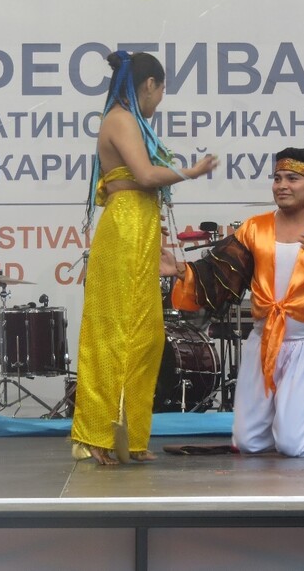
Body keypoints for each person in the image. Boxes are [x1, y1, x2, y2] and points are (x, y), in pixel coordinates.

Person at [172, 147, 304, 457]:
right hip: (264, 341)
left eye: (292, 179)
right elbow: (219, 273)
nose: (282, 185)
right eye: (277, 178)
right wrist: (179, 270)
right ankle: (288, 427)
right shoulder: (255, 228)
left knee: (295, 445)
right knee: (249, 443)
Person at [71, 51, 218, 465]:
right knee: (113, 333)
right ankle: (96, 435)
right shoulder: (120, 119)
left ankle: (131, 437)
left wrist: (155, 247)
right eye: (162, 89)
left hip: (139, 228)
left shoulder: (133, 121)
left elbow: (146, 189)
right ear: (149, 84)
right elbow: (147, 175)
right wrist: (192, 171)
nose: (161, 99)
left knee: (147, 338)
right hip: (124, 229)